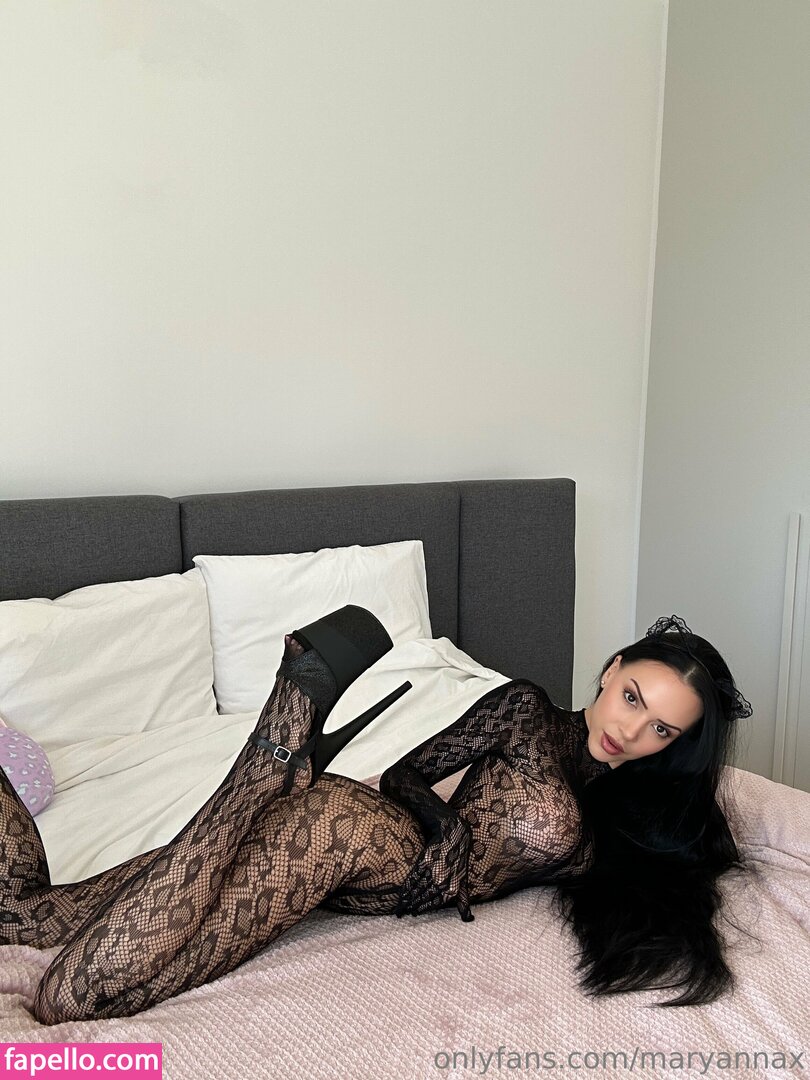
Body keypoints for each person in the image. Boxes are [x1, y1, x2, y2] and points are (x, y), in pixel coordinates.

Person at [0, 608, 751, 1024]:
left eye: (661, 729)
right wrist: (447, 828)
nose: (631, 728)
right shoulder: (525, 712)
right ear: (612, 670)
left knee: (25, 913)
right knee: (73, 999)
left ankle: (276, 767)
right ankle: (269, 758)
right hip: (373, 842)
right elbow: (406, 774)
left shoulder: (643, 810)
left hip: (345, 845)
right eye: (632, 697)